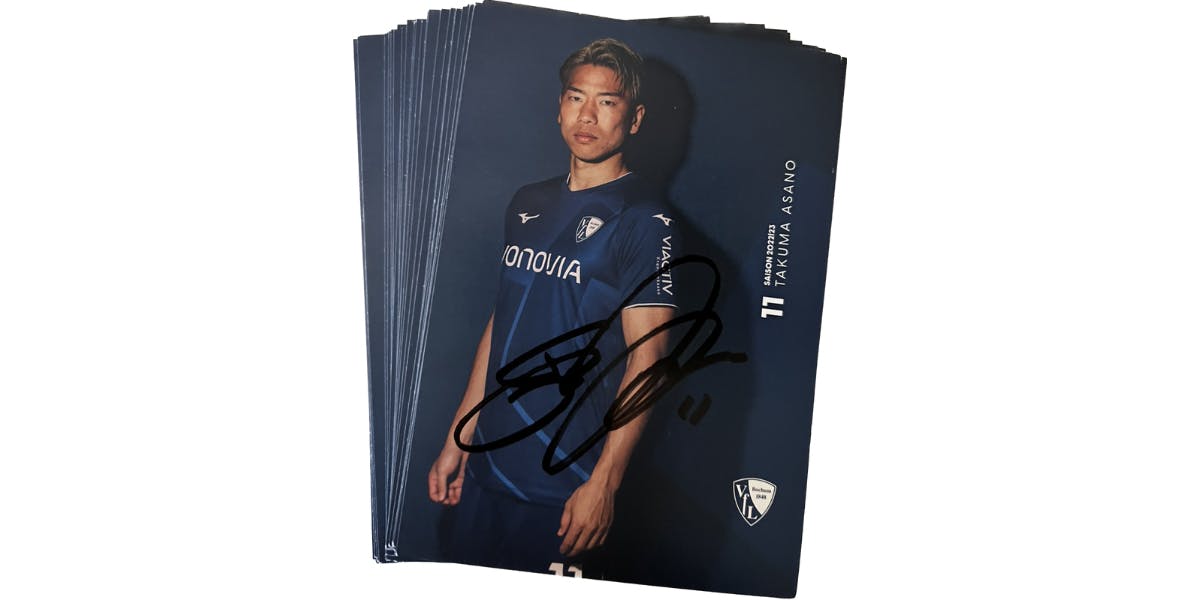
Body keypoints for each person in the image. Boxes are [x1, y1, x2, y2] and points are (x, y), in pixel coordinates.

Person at [427, 38, 678, 578]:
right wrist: (458, 438)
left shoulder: (644, 222)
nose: (587, 116)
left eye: (607, 102)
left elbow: (651, 360)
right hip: (486, 469)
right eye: (575, 97)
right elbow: (502, 324)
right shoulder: (528, 201)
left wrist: (604, 484)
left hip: (564, 487)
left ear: (634, 119)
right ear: (559, 106)